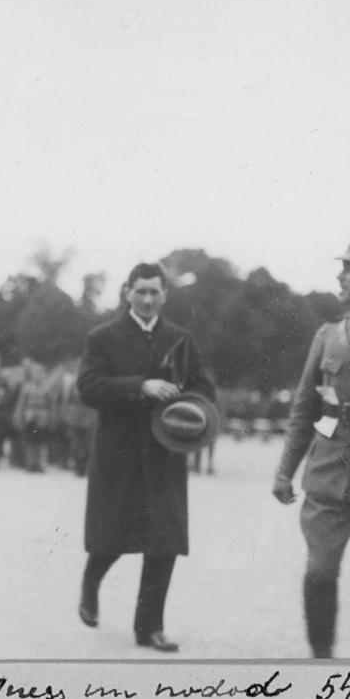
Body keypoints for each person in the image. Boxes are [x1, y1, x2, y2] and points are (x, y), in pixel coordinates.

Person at [76, 262, 214, 652]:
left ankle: (149, 626)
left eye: (155, 292)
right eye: (141, 291)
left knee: (164, 538)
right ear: (127, 293)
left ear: (165, 295)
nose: (148, 300)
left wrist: (190, 407)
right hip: (118, 449)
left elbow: (204, 388)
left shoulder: (181, 339)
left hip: (165, 451)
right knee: (112, 533)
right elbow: (88, 387)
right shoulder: (103, 337)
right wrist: (142, 386)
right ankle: (91, 581)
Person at [272, 234, 350, 658]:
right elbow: (305, 409)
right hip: (330, 470)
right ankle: (321, 664)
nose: (341, 276)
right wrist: (285, 470)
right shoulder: (328, 335)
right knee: (318, 573)